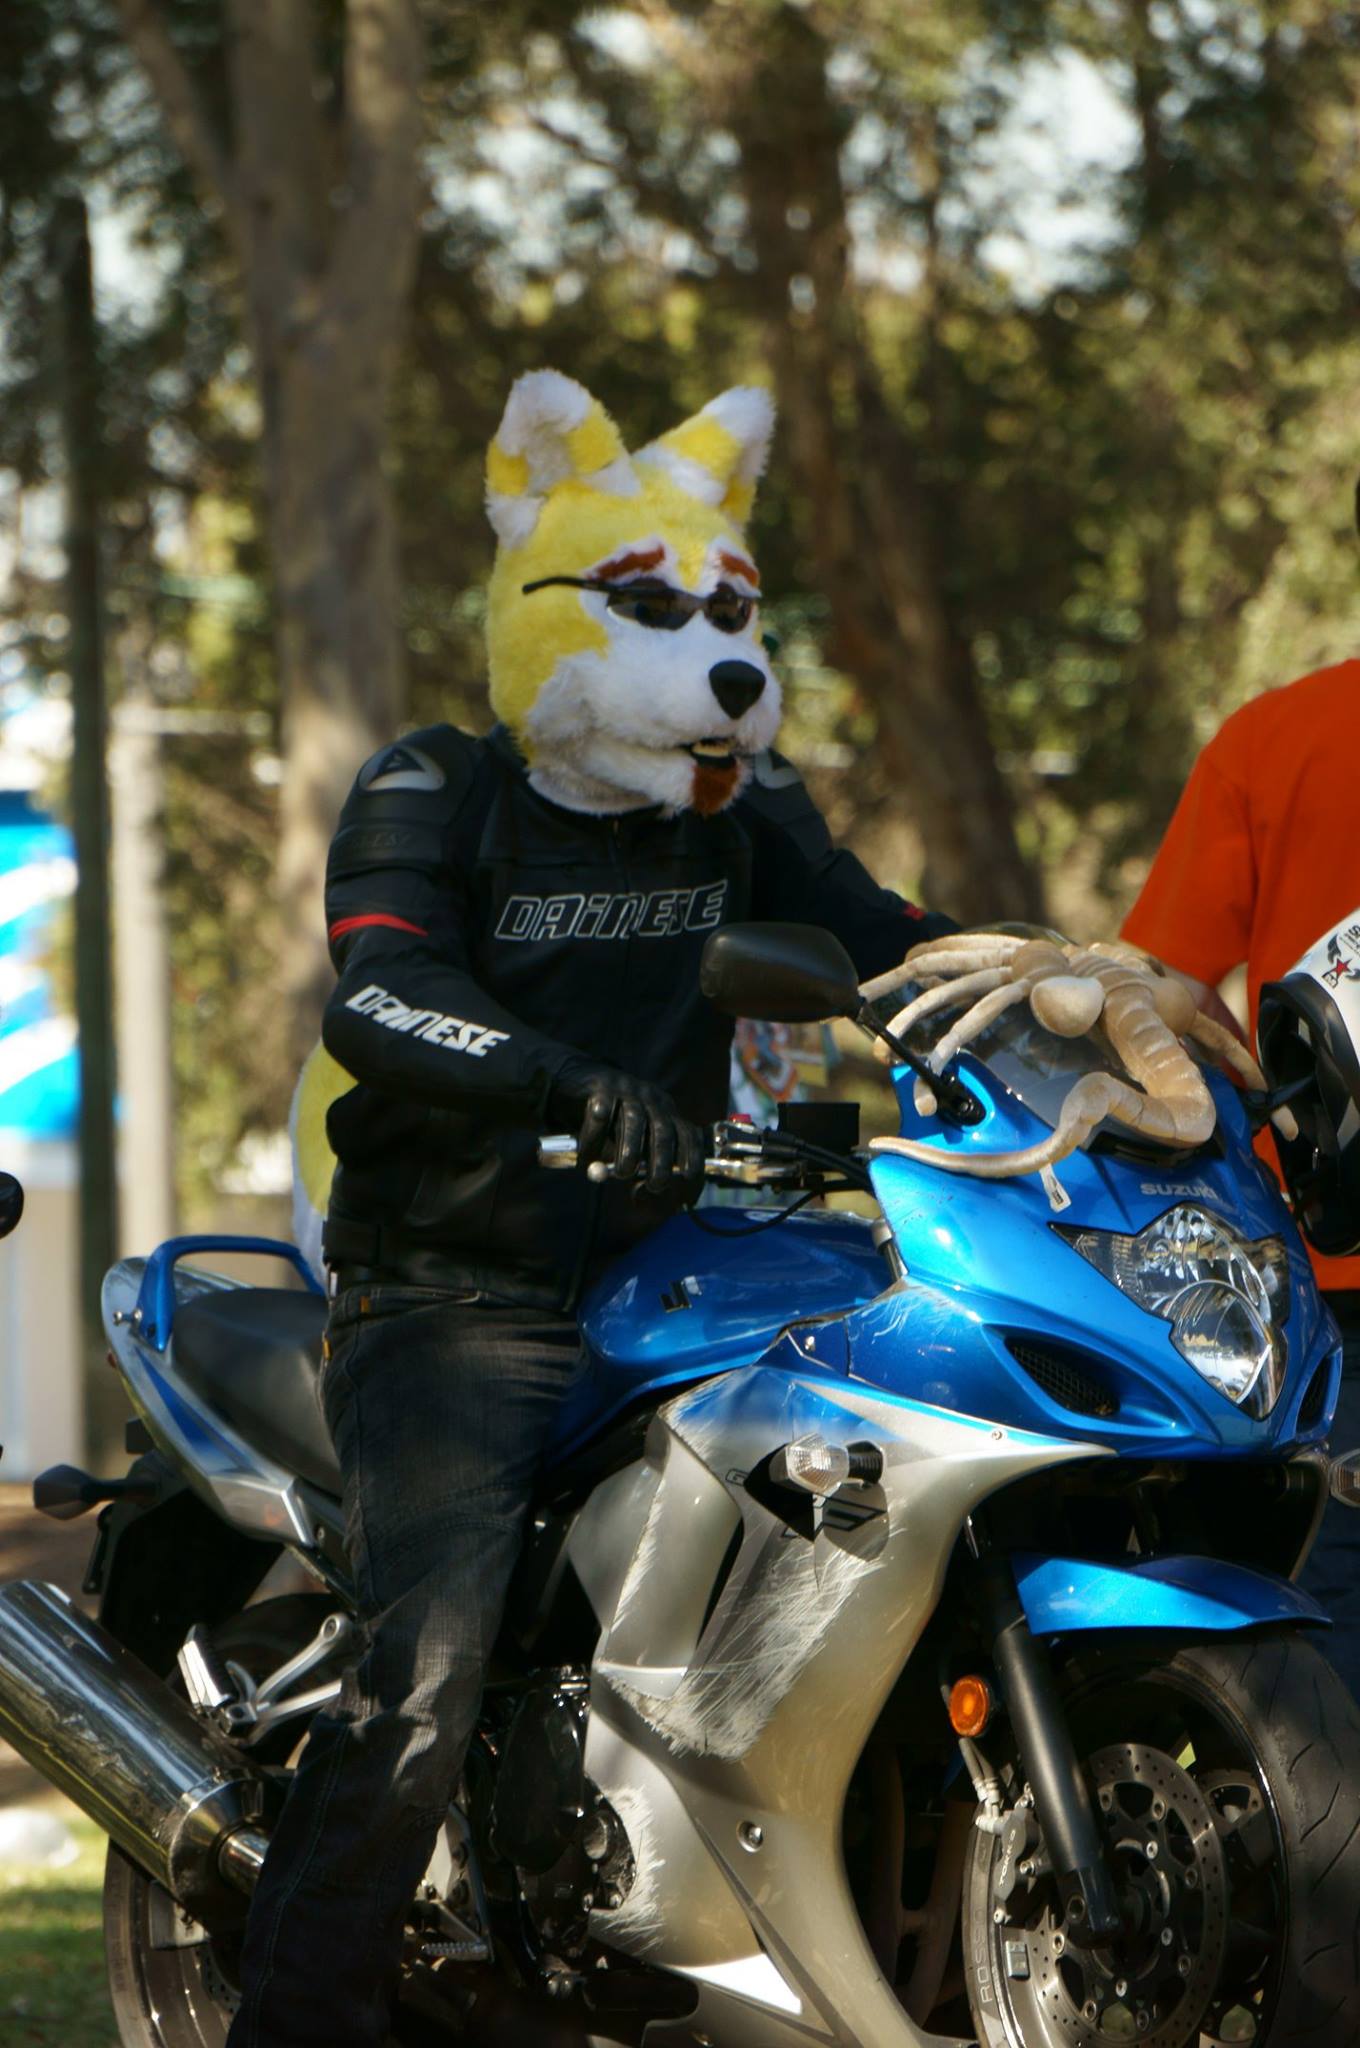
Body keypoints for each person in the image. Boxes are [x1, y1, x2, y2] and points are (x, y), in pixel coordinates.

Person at [228, 370, 954, 2048]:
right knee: (423, 1680)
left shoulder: (739, 802)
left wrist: (1045, 989)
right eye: (651, 609)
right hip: (453, 1283)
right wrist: (560, 1080)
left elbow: (880, 938)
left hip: (680, 1269)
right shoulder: (435, 788)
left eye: (728, 615)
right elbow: (378, 993)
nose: (713, 656)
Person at [1121, 649, 1360, 1698]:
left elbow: (1164, 990)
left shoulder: (1278, 737)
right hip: (1321, 1270)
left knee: (1332, 1604)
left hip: (1319, 1252)